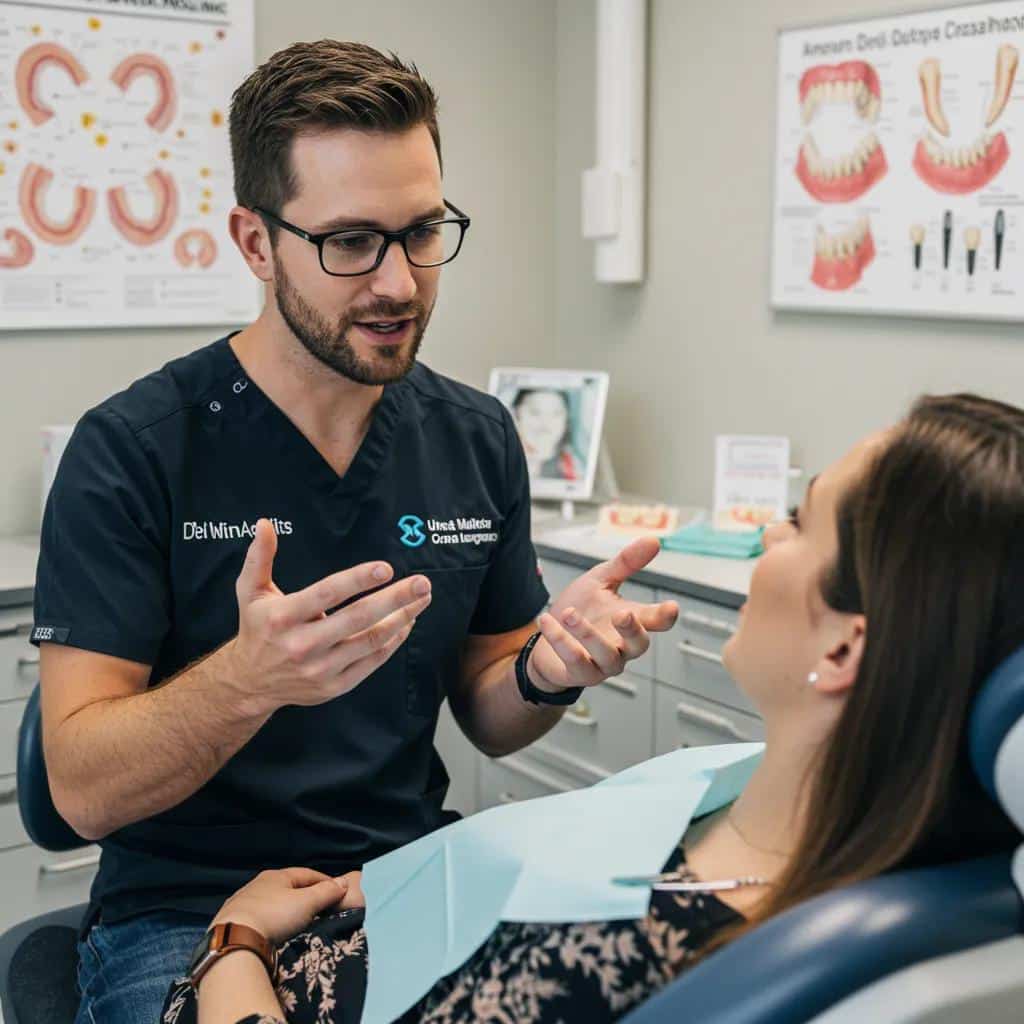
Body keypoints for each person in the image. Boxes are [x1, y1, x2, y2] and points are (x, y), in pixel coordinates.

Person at [32, 40, 679, 1024]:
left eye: (421, 231)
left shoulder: (474, 436)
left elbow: (489, 708)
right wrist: (247, 681)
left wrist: (548, 669)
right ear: (256, 244)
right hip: (180, 908)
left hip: (404, 877)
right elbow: (79, 788)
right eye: (349, 242)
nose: (398, 283)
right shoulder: (135, 450)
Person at [159, 393, 1019, 1024]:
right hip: (355, 911)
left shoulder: (623, 963)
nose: (766, 539)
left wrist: (234, 944)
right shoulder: (760, 801)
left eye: (798, 522)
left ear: (842, 650)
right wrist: (393, 886)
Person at [511, 388, 585, 481]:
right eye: (535, 412)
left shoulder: (575, 470)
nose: (545, 422)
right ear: (515, 415)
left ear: (566, 420)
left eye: (556, 413)